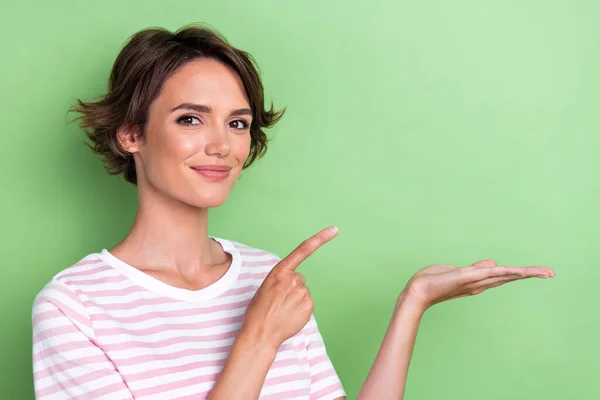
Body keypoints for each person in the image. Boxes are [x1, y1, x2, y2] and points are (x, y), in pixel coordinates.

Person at [31, 25, 554, 400]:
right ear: (131, 134)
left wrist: (413, 303)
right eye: (191, 118)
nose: (222, 146)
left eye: (237, 124)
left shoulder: (269, 276)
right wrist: (258, 336)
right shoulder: (75, 308)